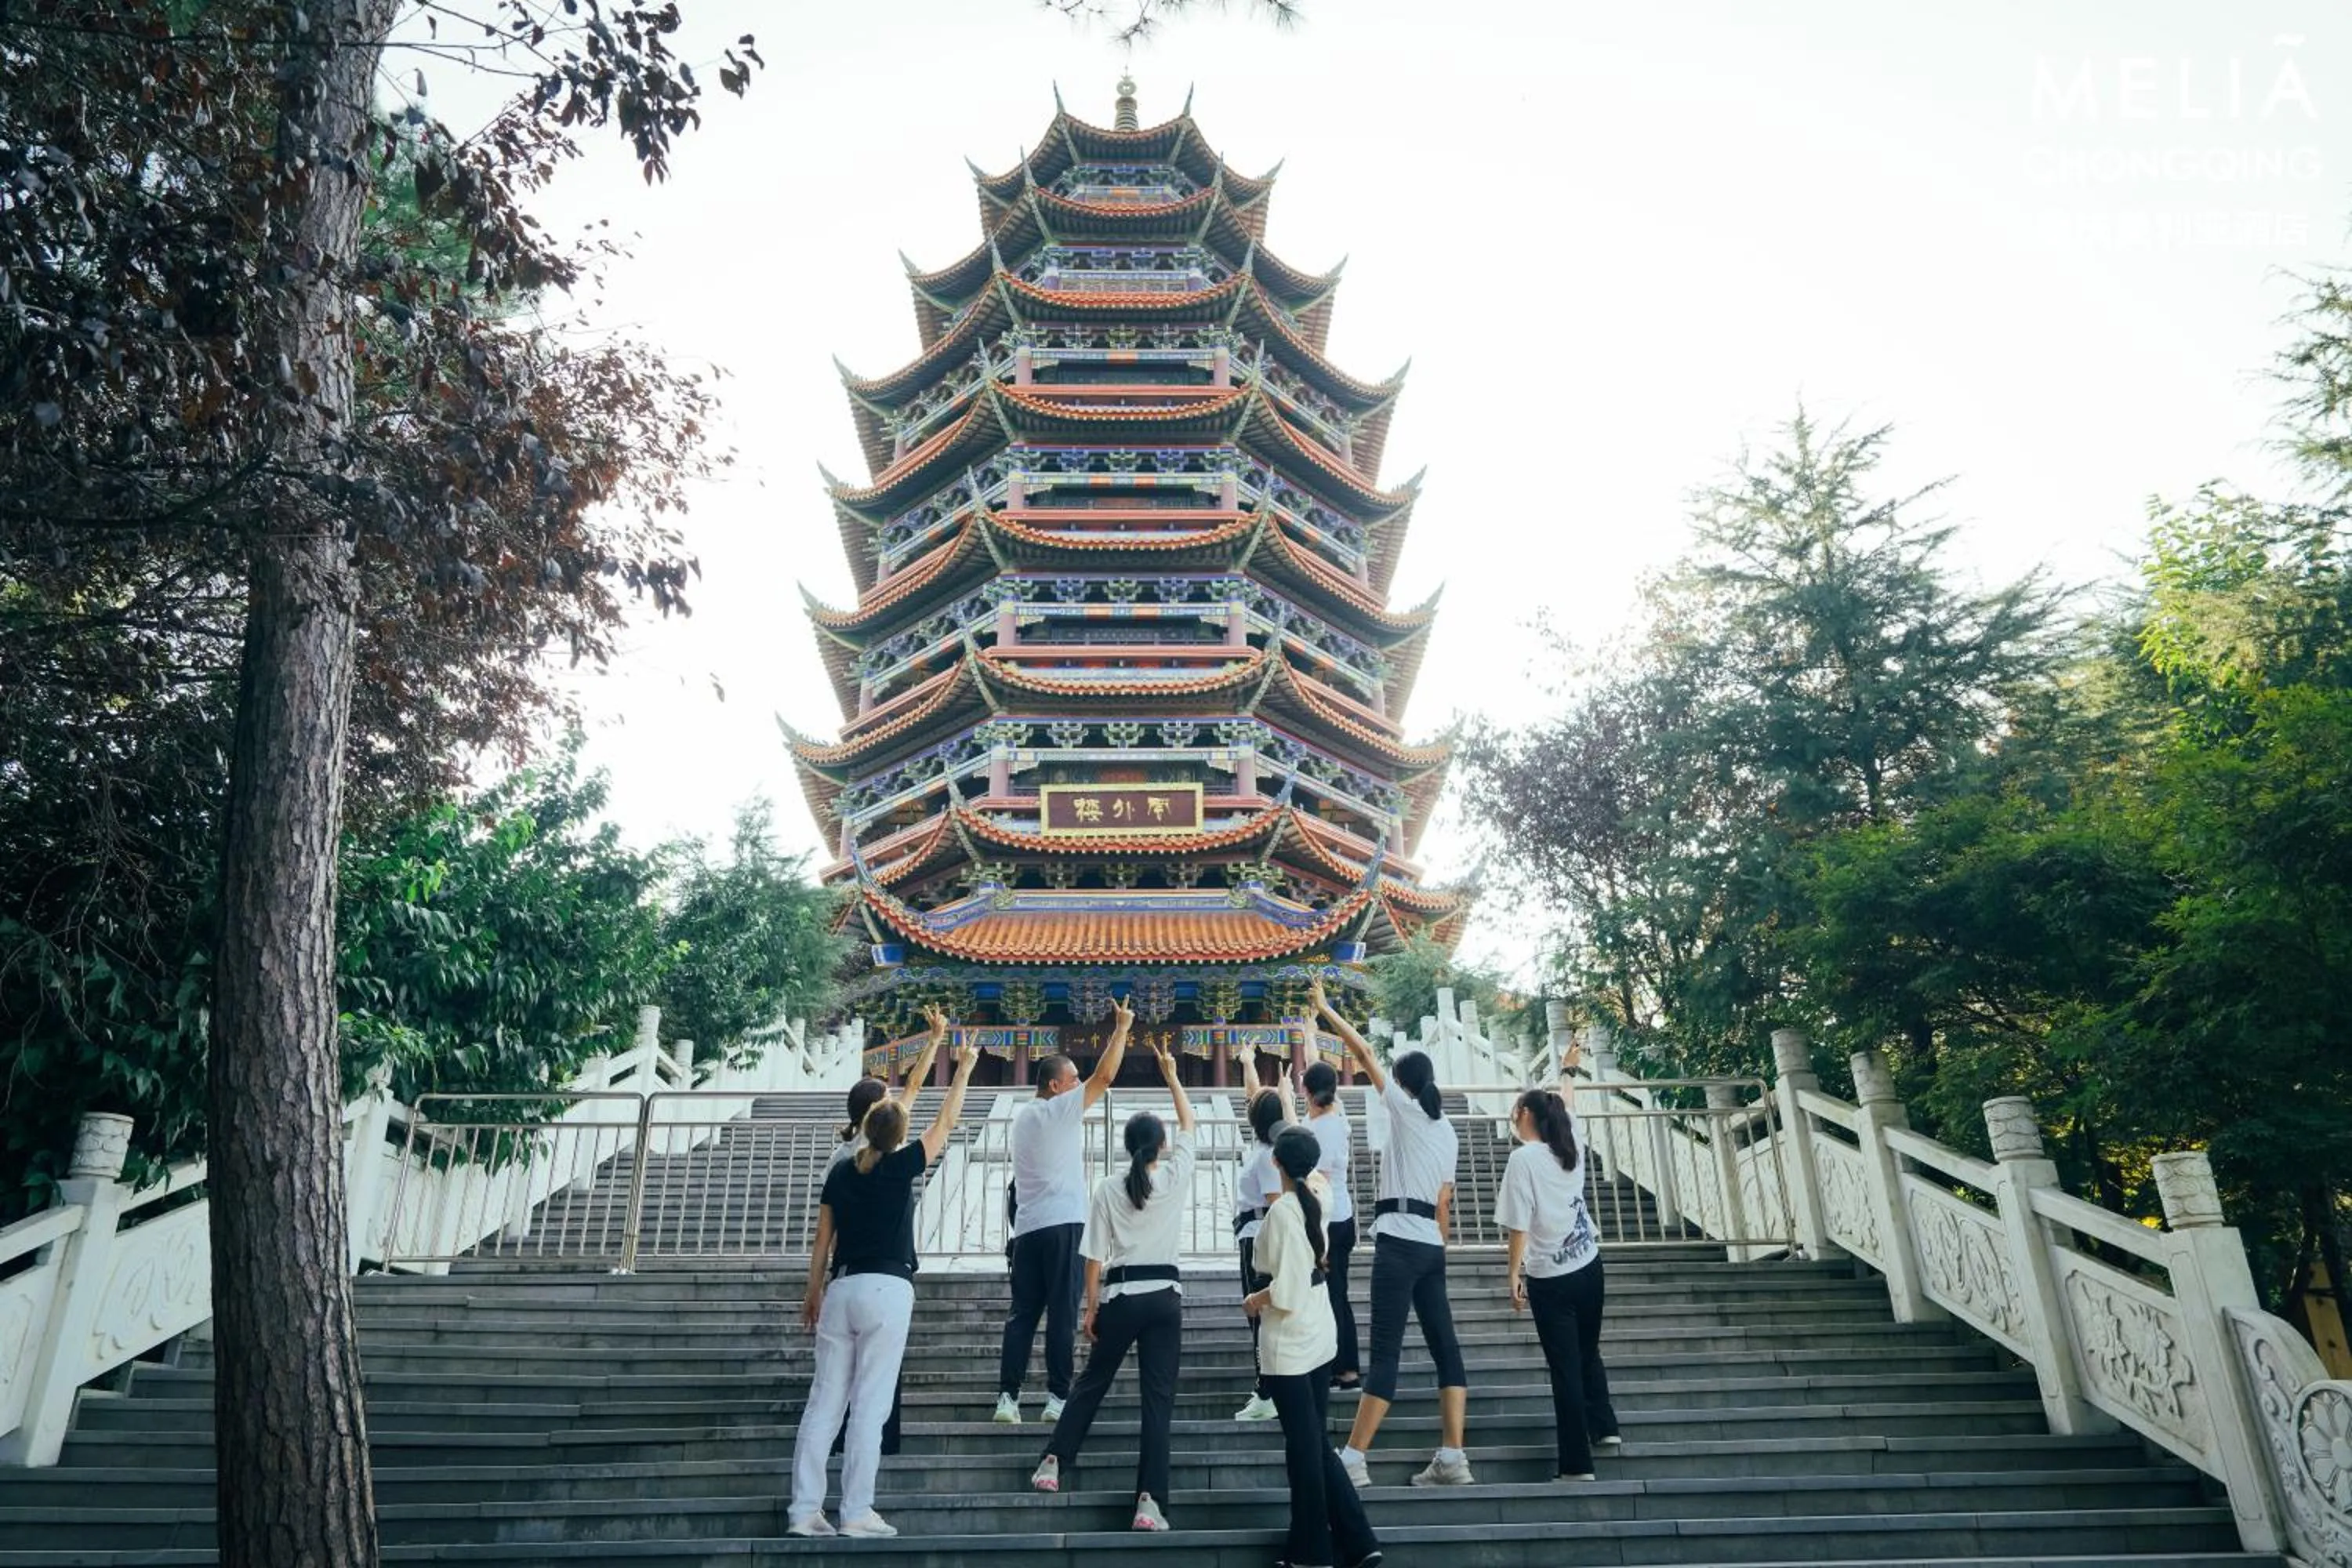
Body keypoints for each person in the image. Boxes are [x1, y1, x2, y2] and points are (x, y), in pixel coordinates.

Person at [787, 1028, 981, 1539]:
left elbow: (821, 1242)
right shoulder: (902, 1166)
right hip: (888, 1289)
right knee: (869, 1407)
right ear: (897, 1133)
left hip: (841, 1289)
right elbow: (948, 1120)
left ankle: (805, 1511)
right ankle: (855, 1513)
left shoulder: (840, 1173)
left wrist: (813, 1291)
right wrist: (963, 1067)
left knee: (824, 1403)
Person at [1028, 1033, 1199, 1530]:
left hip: (1121, 1297)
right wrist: (1171, 1074)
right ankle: (1150, 1503)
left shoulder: (1106, 1187)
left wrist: (1090, 1308)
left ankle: (1054, 1461)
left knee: (1091, 1384)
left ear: (1128, 1147)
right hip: (1165, 1298)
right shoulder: (1175, 1175)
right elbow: (1190, 1121)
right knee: (1158, 1404)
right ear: (1161, 1146)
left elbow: (1094, 1259)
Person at [1313, 978, 1473, 1491]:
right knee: (1445, 1349)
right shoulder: (1446, 1128)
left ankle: (1355, 1458)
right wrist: (1440, 1247)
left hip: (1399, 1244)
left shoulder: (1403, 1111)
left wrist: (1323, 1009)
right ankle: (1453, 1456)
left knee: (1385, 1351)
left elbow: (1360, 1050)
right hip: (1431, 1243)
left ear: (1402, 1083)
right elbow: (1446, 1200)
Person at [1246, 1126, 1382, 1568]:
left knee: (1304, 1450)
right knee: (1314, 1445)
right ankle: (1358, 1540)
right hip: (1319, 1333)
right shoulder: (1318, 1194)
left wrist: (1254, 1300)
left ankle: (1311, 1551)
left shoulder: (1284, 1212)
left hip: (1289, 1338)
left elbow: (1283, 1290)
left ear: (1275, 1163)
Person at [996, 996, 1133, 1424]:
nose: (1080, 1084)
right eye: (1073, 1079)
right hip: (1063, 1225)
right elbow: (1106, 1076)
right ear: (1055, 1085)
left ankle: (1008, 1398)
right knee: (1061, 1313)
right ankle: (1057, 1398)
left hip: (1027, 1230)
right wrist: (1122, 1028)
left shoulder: (1024, 1118)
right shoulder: (1057, 1110)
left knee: (1021, 1316)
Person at [826, 1007, 947, 1461]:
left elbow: (827, 1226)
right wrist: (937, 1040)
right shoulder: (883, 1154)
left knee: (842, 1371)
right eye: (887, 1096)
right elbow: (917, 1092)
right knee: (879, 1368)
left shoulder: (840, 1159)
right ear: (878, 1112)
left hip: (846, 1271)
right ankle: (877, 1445)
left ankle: (839, 1438)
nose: (896, 1097)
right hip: (885, 1274)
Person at [1499, 1084, 1617, 1482]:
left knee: (1564, 1369)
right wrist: (1566, 1069)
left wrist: (1513, 1273)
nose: (1512, 1117)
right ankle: (1605, 1426)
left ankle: (1577, 1465)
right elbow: (1567, 1102)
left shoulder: (1523, 1159)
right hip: (1590, 1265)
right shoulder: (1571, 1142)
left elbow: (1518, 1226)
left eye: (1515, 1111)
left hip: (1552, 1276)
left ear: (1526, 1115)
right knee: (1587, 1352)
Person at [1231, 1043, 1296, 1422]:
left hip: (1259, 1238)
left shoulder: (1270, 1157)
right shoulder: (1265, 1144)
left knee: (1261, 1315)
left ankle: (1267, 1390)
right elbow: (1254, 1096)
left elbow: (1277, 1207)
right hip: (1251, 1233)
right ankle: (1268, 1386)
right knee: (1259, 1316)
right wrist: (1248, 1062)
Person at [1301, 1058, 1362, 1393]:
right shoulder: (1338, 1121)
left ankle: (1342, 1367)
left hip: (1326, 1221)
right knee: (1337, 1293)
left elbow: (1318, 1181)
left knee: (1329, 1296)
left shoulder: (1320, 1128)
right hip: (1343, 1214)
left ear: (1307, 1091)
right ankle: (1344, 1368)